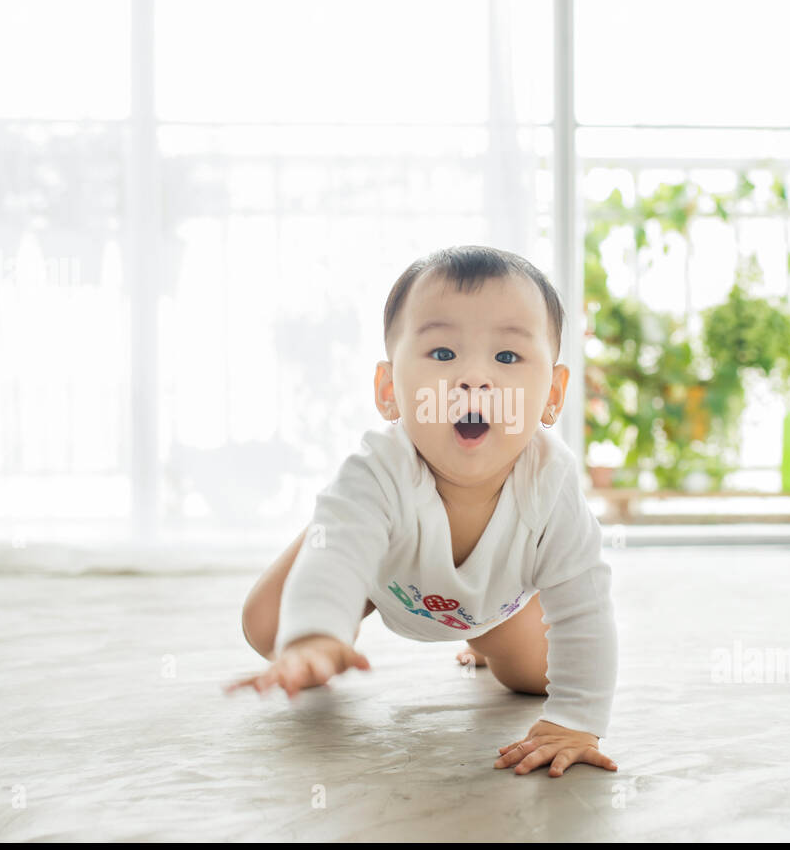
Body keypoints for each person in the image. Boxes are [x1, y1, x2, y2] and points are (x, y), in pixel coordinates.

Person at [226, 244, 618, 778]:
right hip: (377, 574)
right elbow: (331, 567)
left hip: (493, 603)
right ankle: (339, 535)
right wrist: (315, 633)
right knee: (268, 625)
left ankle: (482, 637)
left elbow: (585, 604)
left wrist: (575, 719)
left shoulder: (551, 484)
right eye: (442, 354)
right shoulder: (379, 469)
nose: (474, 379)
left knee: (536, 674)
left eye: (507, 357)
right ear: (390, 391)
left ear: (552, 393)